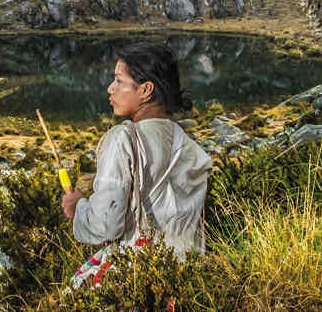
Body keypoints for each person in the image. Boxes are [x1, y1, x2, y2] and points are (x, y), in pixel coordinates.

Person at [61, 42, 212, 261]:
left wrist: (78, 208)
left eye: (119, 81)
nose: (110, 88)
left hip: (139, 268)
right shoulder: (189, 145)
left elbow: (105, 225)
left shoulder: (123, 139)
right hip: (190, 268)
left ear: (145, 90)